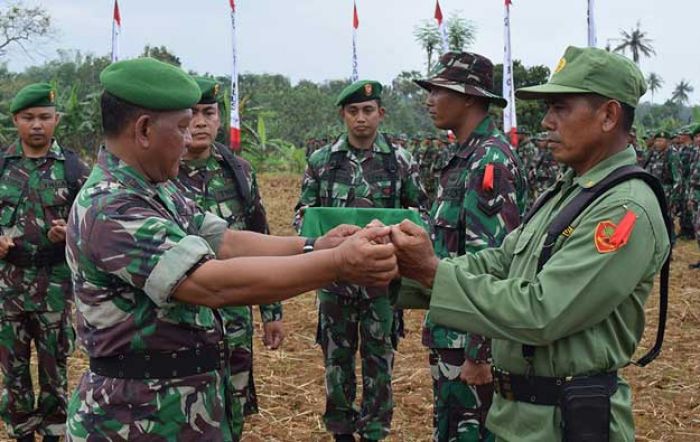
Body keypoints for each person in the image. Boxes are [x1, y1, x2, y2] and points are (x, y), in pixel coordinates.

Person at [64, 58, 398, 441]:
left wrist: (315, 245)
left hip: (179, 407)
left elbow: (226, 241)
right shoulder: (112, 206)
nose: (191, 140)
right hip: (135, 418)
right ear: (143, 130)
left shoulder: (155, 187)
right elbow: (210, 284)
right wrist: (339, 262)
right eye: (183, 128)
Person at [390, 46, 670, 441]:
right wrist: (396, 269)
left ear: (608, 115)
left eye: (560, 108)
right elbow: (499, 262)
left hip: (567, 423)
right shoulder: (570, 193)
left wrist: (432, 272)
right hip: (520, 418)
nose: (547, 121)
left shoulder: (623, 209)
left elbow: (544, 310)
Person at [293, 79, 428, 442]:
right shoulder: (323, 161)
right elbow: (302, 216)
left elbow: (419, 215)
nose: (361, 118)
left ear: (381, 114)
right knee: (336, 363)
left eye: (368, 110)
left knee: (379, 363)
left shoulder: (400, 161)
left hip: (382, 283)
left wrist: (391, 238)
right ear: (343, 115)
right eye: (353, 111)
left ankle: (373, 431)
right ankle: (340, 431)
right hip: (335, 281)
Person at [413, 51, 526, 442]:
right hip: (451, 332)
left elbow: (493, 264)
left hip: (468, 343)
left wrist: (480, 352)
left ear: (470, 98)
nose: (429, 100)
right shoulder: (463, 156)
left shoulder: (489, 161)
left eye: (439, 90)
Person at [173, 76, 284, 440]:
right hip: (182, 314)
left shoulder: (238, 171)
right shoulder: (161, 172)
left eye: (209, 112)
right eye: (192, 114)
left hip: (235, 310)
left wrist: (271, 312)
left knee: (234, 403)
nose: (201, 122)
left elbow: (260, 238)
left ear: (220, 118)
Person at [0, 83, 90, 442]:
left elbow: (95, 221)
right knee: (13, 369)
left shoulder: (73, 169)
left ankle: (54, 431)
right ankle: (21, 430)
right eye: (28, 118)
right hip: (8, 286)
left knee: (55, 369)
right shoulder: (2, 167)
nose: (37, 125)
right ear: (15, 121)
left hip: (54, 285)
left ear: (56, 120)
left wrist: (71, 231)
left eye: (44, 117)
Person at [643, 130, 681, 246]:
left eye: (661, 141)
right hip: (653, 191)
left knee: (666, 219)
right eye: (656, 140)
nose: (657, 143)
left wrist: (673, 200)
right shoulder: (653, 153)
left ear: (668, 142)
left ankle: (669, 244)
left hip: (667, 192)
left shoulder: (672, 155)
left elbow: (677, 180)